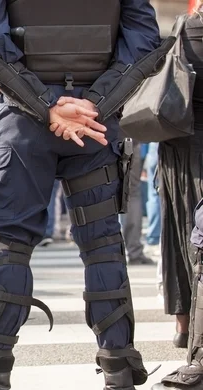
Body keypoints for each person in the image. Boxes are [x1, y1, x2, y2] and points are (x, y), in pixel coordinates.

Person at [0, 0, 171, 389]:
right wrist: (94, 103)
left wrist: (47, 106)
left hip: (24, 122)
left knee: (9, 245)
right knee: (103, 243)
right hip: (95, 125)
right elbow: (142, 44)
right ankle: (118, 365)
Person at [152, 4, 203, 388]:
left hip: (177, 144)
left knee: (180, 235)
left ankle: (185, 324)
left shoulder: (186, 28)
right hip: (192, 147)